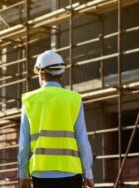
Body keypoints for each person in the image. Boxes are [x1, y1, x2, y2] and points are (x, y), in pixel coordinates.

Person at [18, 50, 95, 188]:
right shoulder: (74, 99)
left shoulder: (29, 100)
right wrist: (88, 174)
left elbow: (24, 144)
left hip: (40, 173)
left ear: (41, 73)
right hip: (71, 173)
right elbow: (82, 140)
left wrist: (23, 174)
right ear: (61, 74)